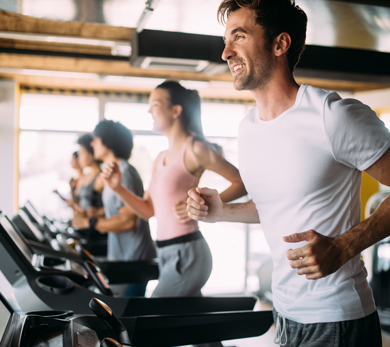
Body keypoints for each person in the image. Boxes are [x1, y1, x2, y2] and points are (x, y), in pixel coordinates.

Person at [186, 1, 390, 346]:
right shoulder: (248, 128)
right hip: (284, 312)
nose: (225, 52)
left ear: (280, 44)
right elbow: (276, 207)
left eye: (239, 37)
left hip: (336, 317)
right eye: (226, 40)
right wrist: (223, 211)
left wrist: (345, 246)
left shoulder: (333, 116)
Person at [101, 80, 247, 298]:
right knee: (183, 323)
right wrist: (118, 188)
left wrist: (204, 204)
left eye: (156, 105)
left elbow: (241, 183)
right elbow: (148, 211)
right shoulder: (160, 158)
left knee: (155, 313)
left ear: (176, 111)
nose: (149, 110)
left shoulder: (196, 149)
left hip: (187, 252)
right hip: (166, 253)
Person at [72, 120, 156, 297]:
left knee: (128, 315)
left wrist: (89, 222)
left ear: (108, 142)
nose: (92, 143)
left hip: (133, 260)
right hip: (123, 255)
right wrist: (97, 213)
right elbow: (121, 207)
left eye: (96, 139)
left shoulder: (124, 173)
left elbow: (128, 221)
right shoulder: (113, 171)